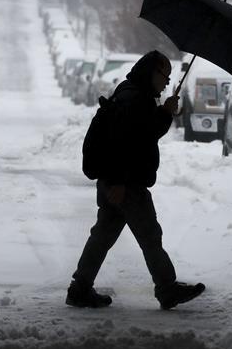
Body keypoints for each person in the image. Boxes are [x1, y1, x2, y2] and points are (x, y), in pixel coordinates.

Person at [67, 50, 205, 310]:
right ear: (152, 72)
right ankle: (167, 288)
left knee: (103, 236)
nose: (166, 81)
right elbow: (123, 142)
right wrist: (118, 182)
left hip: (116, 181)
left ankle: (80, 288)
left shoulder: (132, 93)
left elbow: (143, 134)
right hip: (125, 183)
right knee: (150, 235)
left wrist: (164, 112)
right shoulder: (135, 99)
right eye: (164, 75)